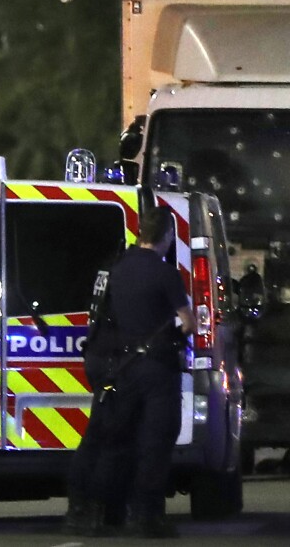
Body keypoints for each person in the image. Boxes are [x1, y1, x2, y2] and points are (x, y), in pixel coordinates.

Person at [66, 207, 195, 537]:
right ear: (167, 235)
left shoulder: (115, 267)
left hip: (117, 368)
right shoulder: (166, 274)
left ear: (140, 232)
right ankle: (145, 516)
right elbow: (188, 323)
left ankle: (92, 510)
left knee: (108, 439)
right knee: (155, 441)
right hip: (155, 369)